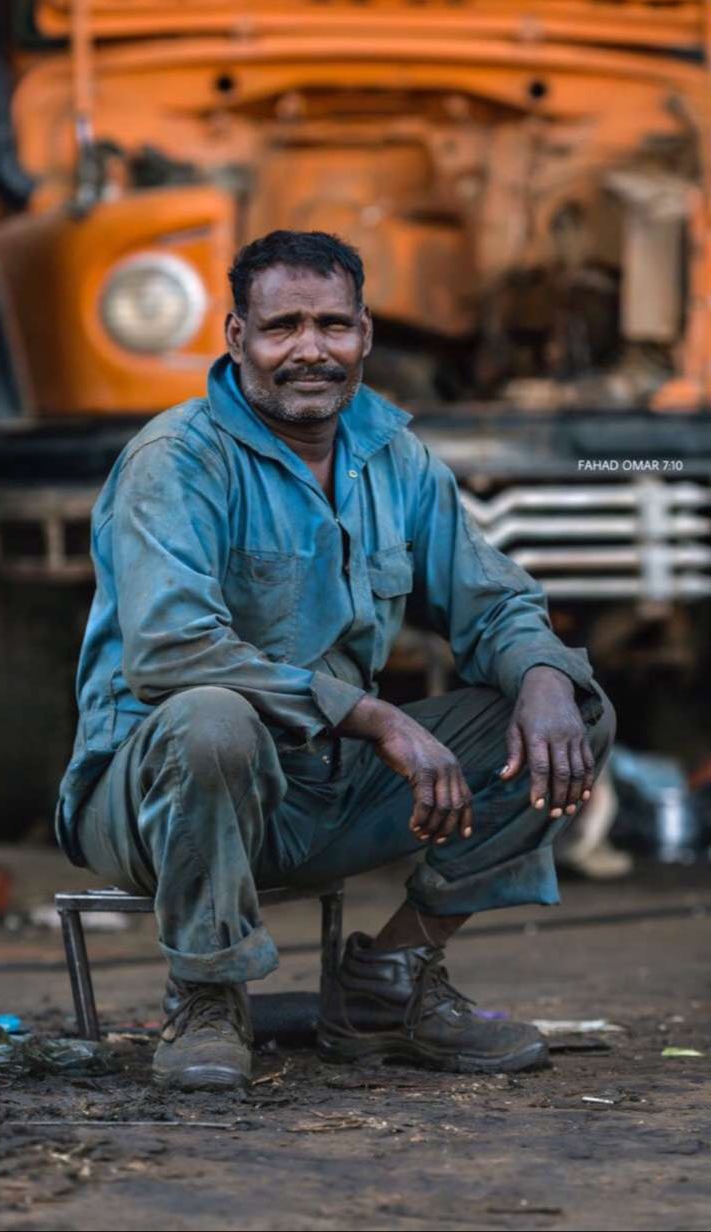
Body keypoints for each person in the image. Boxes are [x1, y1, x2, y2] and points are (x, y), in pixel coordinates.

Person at [56, 230, 616, 1092]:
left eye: (333, 325)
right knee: (213, 718)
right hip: (159, 800)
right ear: (238, 337)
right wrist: (374, 715)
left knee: (570, 709)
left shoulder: (395, 459)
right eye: (282, 327)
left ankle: (387, 985)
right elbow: (170, 652)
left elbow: (496, 602)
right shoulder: (177, 461)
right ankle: (206, 996)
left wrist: (542, 676)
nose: (310, 350)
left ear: (365, 337)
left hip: (320, 789)